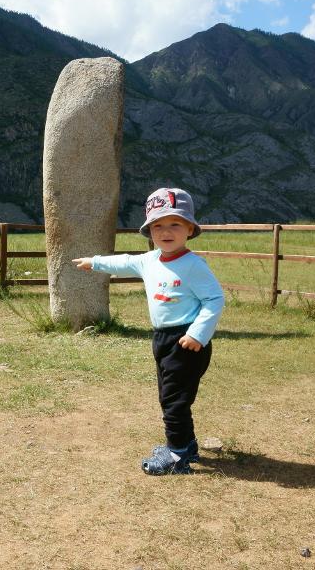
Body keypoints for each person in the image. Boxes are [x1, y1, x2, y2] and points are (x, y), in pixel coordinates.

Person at [73, 187, 224, 475]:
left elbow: (214, 299)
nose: (166, 231)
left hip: (186, 341)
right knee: (171, 395)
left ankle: (177, 455)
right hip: (162, 339)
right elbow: (125, 261)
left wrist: (198, 334)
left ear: (189, 229)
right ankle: (186, 444)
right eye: (158, 225)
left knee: (173, 399)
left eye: (174, 224)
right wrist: (95, 262)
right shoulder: (150, 260)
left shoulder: (193, 265)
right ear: (149, 231)